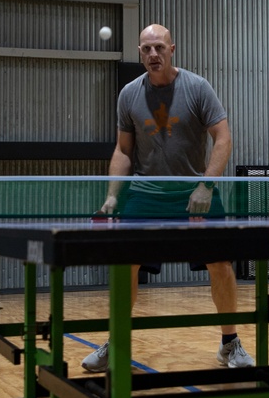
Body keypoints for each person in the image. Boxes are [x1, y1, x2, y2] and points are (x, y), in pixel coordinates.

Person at [82, 23, 254, 372]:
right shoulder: (129, 94)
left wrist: (205, 185)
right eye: (146, 49)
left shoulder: (197, 87)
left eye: (159, 47)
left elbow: (222, 139)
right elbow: (123, 150)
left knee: (220, 264)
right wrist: (113, 196)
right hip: (146, 192)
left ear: (172, 49)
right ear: (140, 53)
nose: (153, 54)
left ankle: (229, 343)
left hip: (194, 191)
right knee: (123, 264)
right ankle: (117, 341)